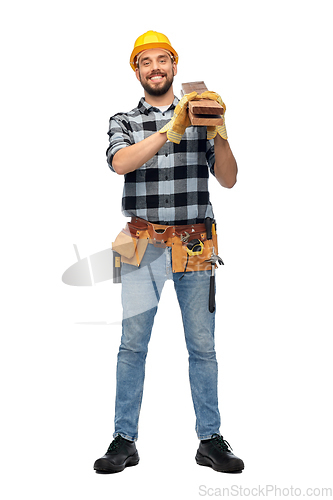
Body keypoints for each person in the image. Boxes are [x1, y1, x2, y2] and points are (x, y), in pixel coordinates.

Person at [94, 30, 244, 474]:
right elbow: (121, 162)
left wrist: (218, 133)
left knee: (203, 347)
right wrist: (169, 128)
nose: (155, 68)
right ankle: (124, 439)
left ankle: (210, 440)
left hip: (195, 244)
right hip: (141, 244)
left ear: (175, 67)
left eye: (163, 60)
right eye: (146, 62)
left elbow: (230, 180)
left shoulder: (201, 115)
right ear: (137, 71)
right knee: (132, 347)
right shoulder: (123, 120)